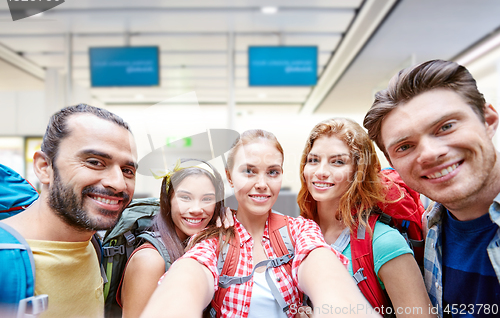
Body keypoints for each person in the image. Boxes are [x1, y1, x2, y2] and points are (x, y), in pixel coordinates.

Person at [140, 129, 380, 318]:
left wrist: (337, 303)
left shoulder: (300, 230)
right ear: (230, 177)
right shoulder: (213, 237)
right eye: (249, 171)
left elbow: (323, 269)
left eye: (273, 172)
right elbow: (191, 272)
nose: (262, 183)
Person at [363, 59, 500, 317]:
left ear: (489, 120)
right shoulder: (431, 228)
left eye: (446, 127)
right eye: (404, 146)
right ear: (392, 165)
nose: (429, 154)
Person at [1, 104, 138, 318]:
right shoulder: (5, 259)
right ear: (45, 167)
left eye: (127, 170)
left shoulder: (94, 243)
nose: (119, 184)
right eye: (95, 162)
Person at [298, 117, 433, 317]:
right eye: (313, 160)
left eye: (337, 162)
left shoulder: (383, 241)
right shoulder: (296, 233)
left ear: (358, 172)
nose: (321, 171)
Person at [119, 160, 228, 318]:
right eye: (185, 197)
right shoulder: (149, 260)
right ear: (167, 201)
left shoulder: (206, 244)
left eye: (207, 199)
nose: (196, 209)